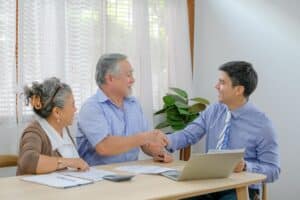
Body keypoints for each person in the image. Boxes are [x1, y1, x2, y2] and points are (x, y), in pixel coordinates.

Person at [165, 61, 280, 200]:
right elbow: (188, 135)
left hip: (240, 189)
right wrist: (164, 142)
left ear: (238, 90)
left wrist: (245, 166)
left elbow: (273, 170)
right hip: (208, 184)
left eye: (222, 82)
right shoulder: (214, 110)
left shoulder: (262, 125)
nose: (216, 86)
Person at [76, 53, 171, 166]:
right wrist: (145, 137)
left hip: (131, 173)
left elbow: (146, 143)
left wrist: (158, 152)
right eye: (128, 75)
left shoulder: (134, 104)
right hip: (100, 177)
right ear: (110, 78)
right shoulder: (91, 108)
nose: (133, 80)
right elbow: (104, 147)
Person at [17, 77, 89, 175]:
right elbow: (28, 161)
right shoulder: (34, 132)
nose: (75, 109)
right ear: (57, 112)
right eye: (72, 104)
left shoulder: (63, 129)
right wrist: (70, 161)